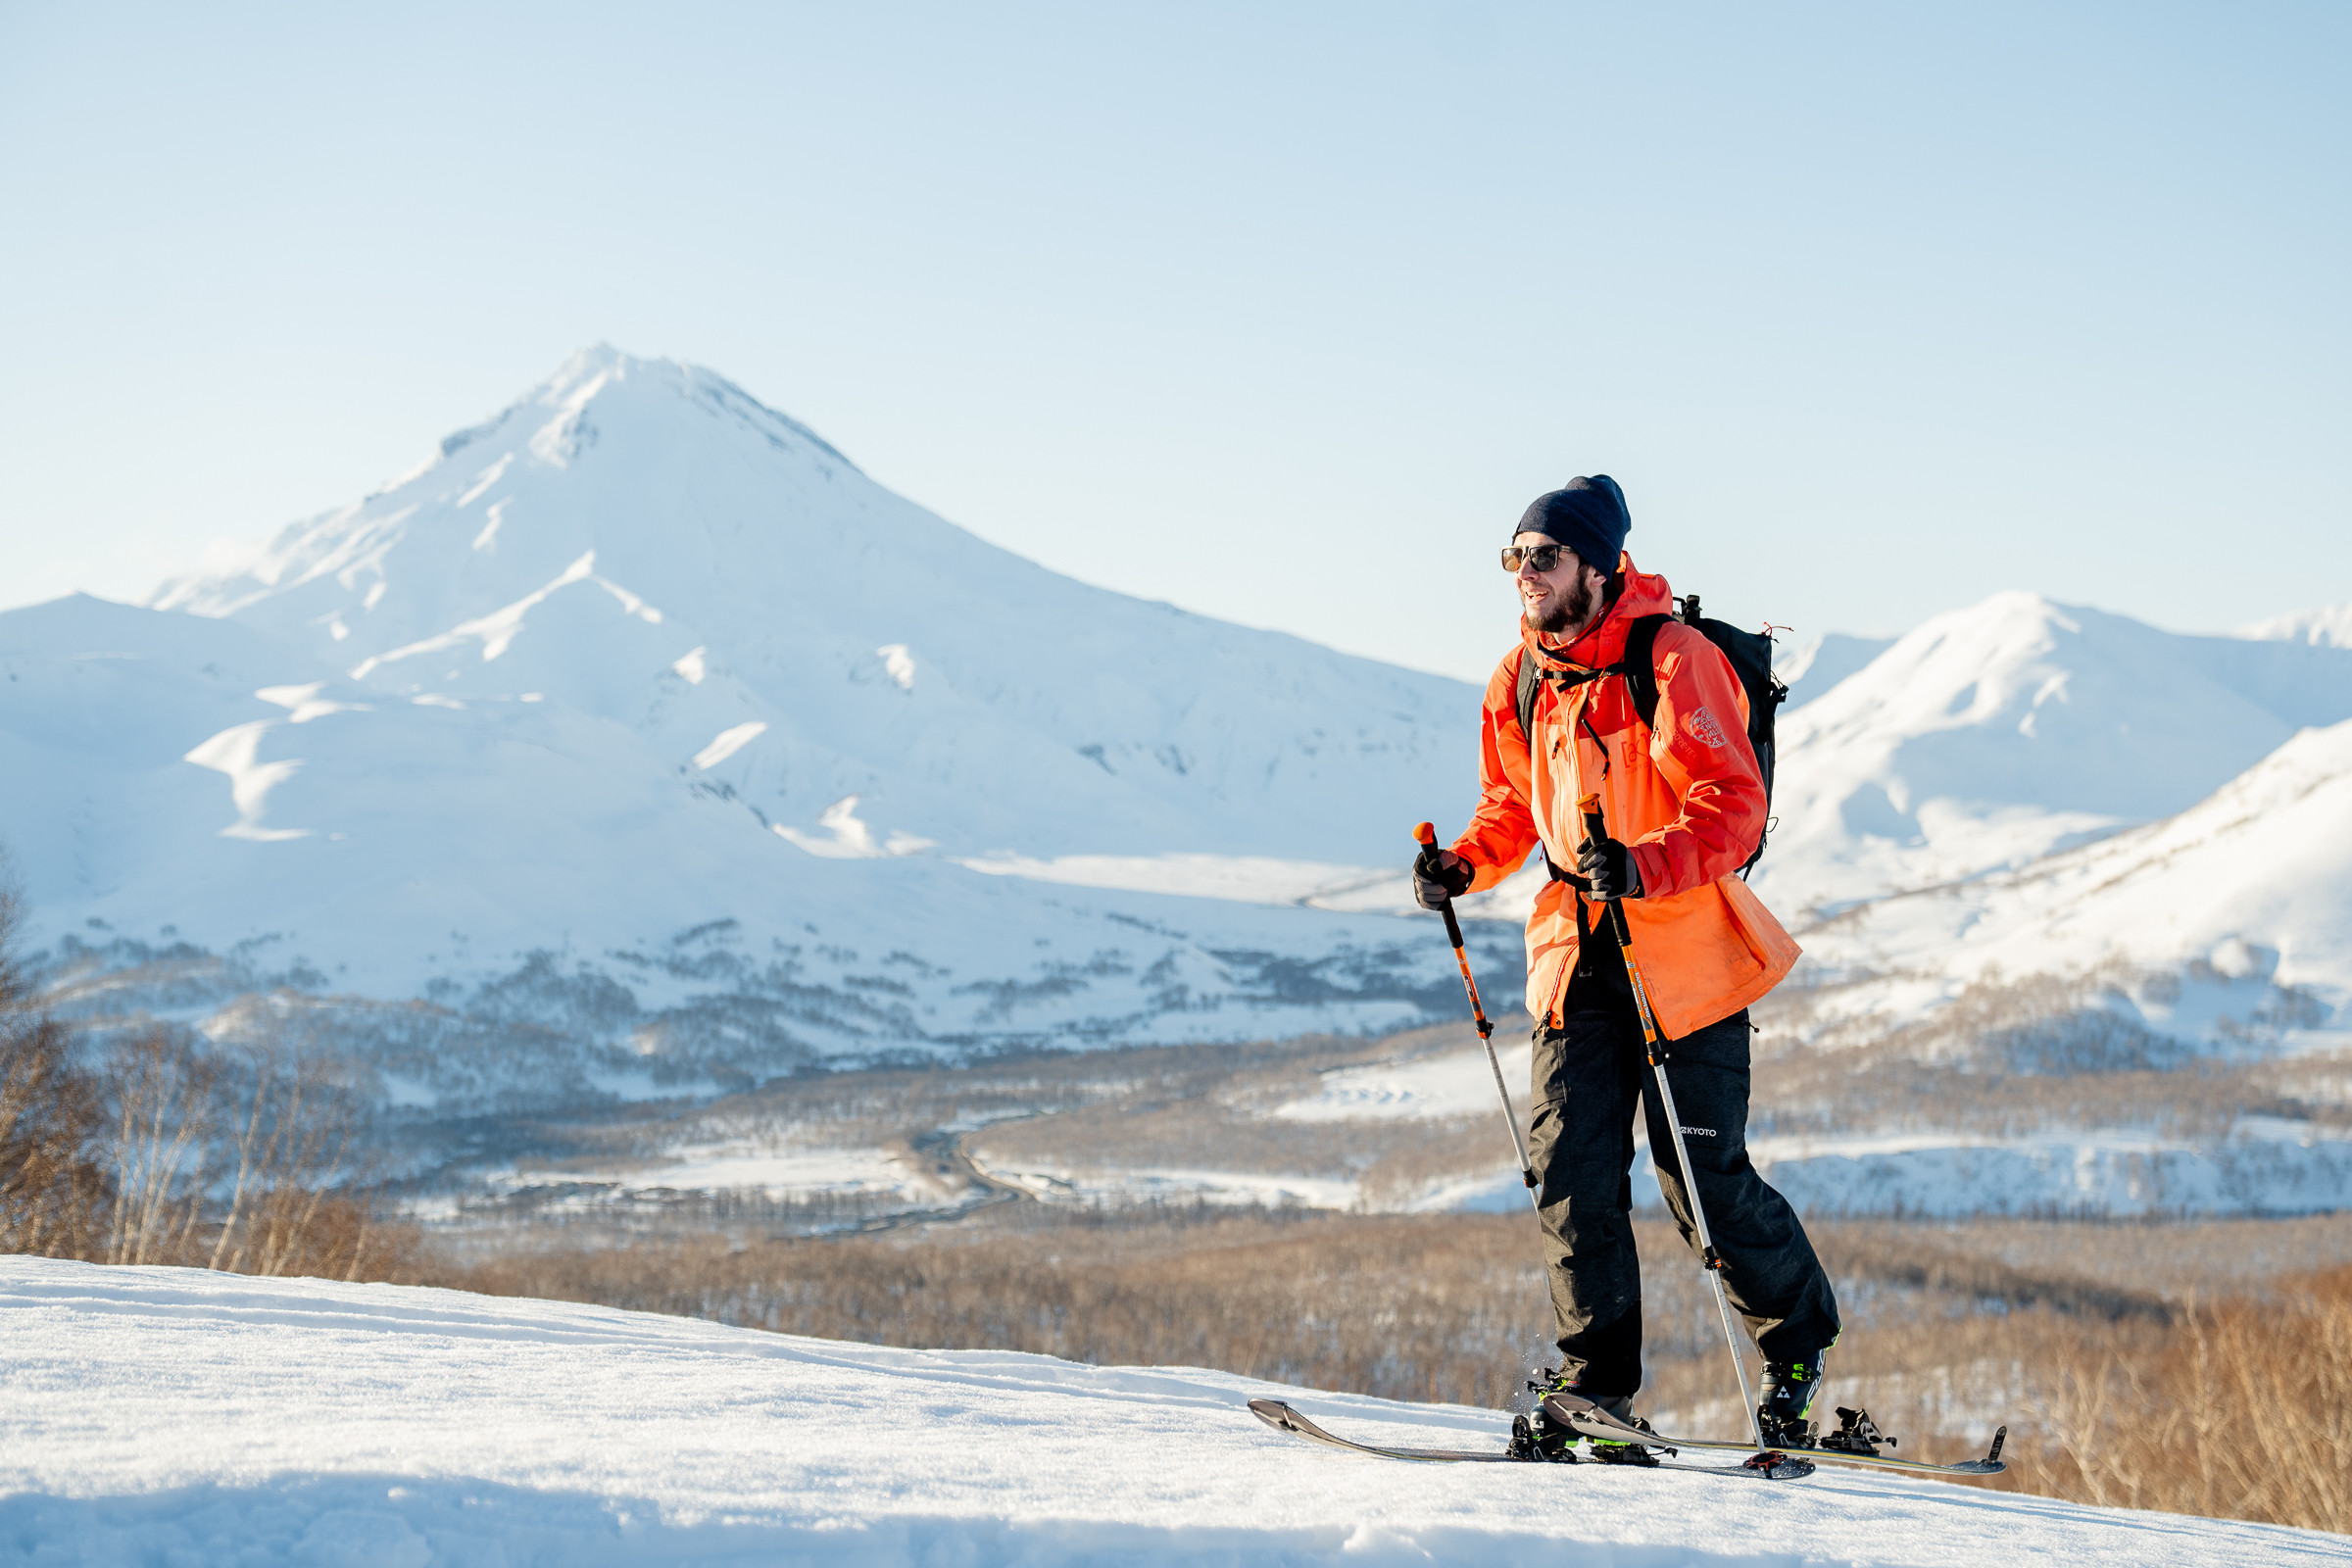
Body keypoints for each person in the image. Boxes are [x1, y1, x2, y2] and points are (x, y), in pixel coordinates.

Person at [1413, 474, 1840, 1463]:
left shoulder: (1674, 659)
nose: (1525, 573)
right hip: (1576, 958)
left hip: (1683, 957)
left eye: (1545, 556)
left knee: (1702, 1180)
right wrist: (1464, 864)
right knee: (1571, 1178)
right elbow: (1510, 806)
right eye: (1515, 556)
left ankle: (1797, 1352)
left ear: (1598, 569)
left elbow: (1733, 804)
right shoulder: (1519, 679)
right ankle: (1595, 1389)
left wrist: (1645, 863)